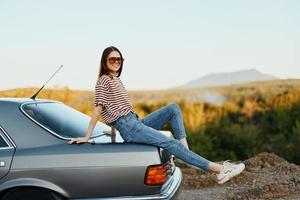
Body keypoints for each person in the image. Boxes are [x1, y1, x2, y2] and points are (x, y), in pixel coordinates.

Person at [68, 46, 245, 184]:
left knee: (173, 108)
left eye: (119, 59)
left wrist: (113, 132)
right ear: (104, 61)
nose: (116, 62)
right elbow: (99, 109)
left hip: (134, 122)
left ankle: (186, 153)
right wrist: (87, 136)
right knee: (169, 142)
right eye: (112, 59)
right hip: (130, 127)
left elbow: (113, 108)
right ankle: (219, 170)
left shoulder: (116, 79)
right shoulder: (103, 80)